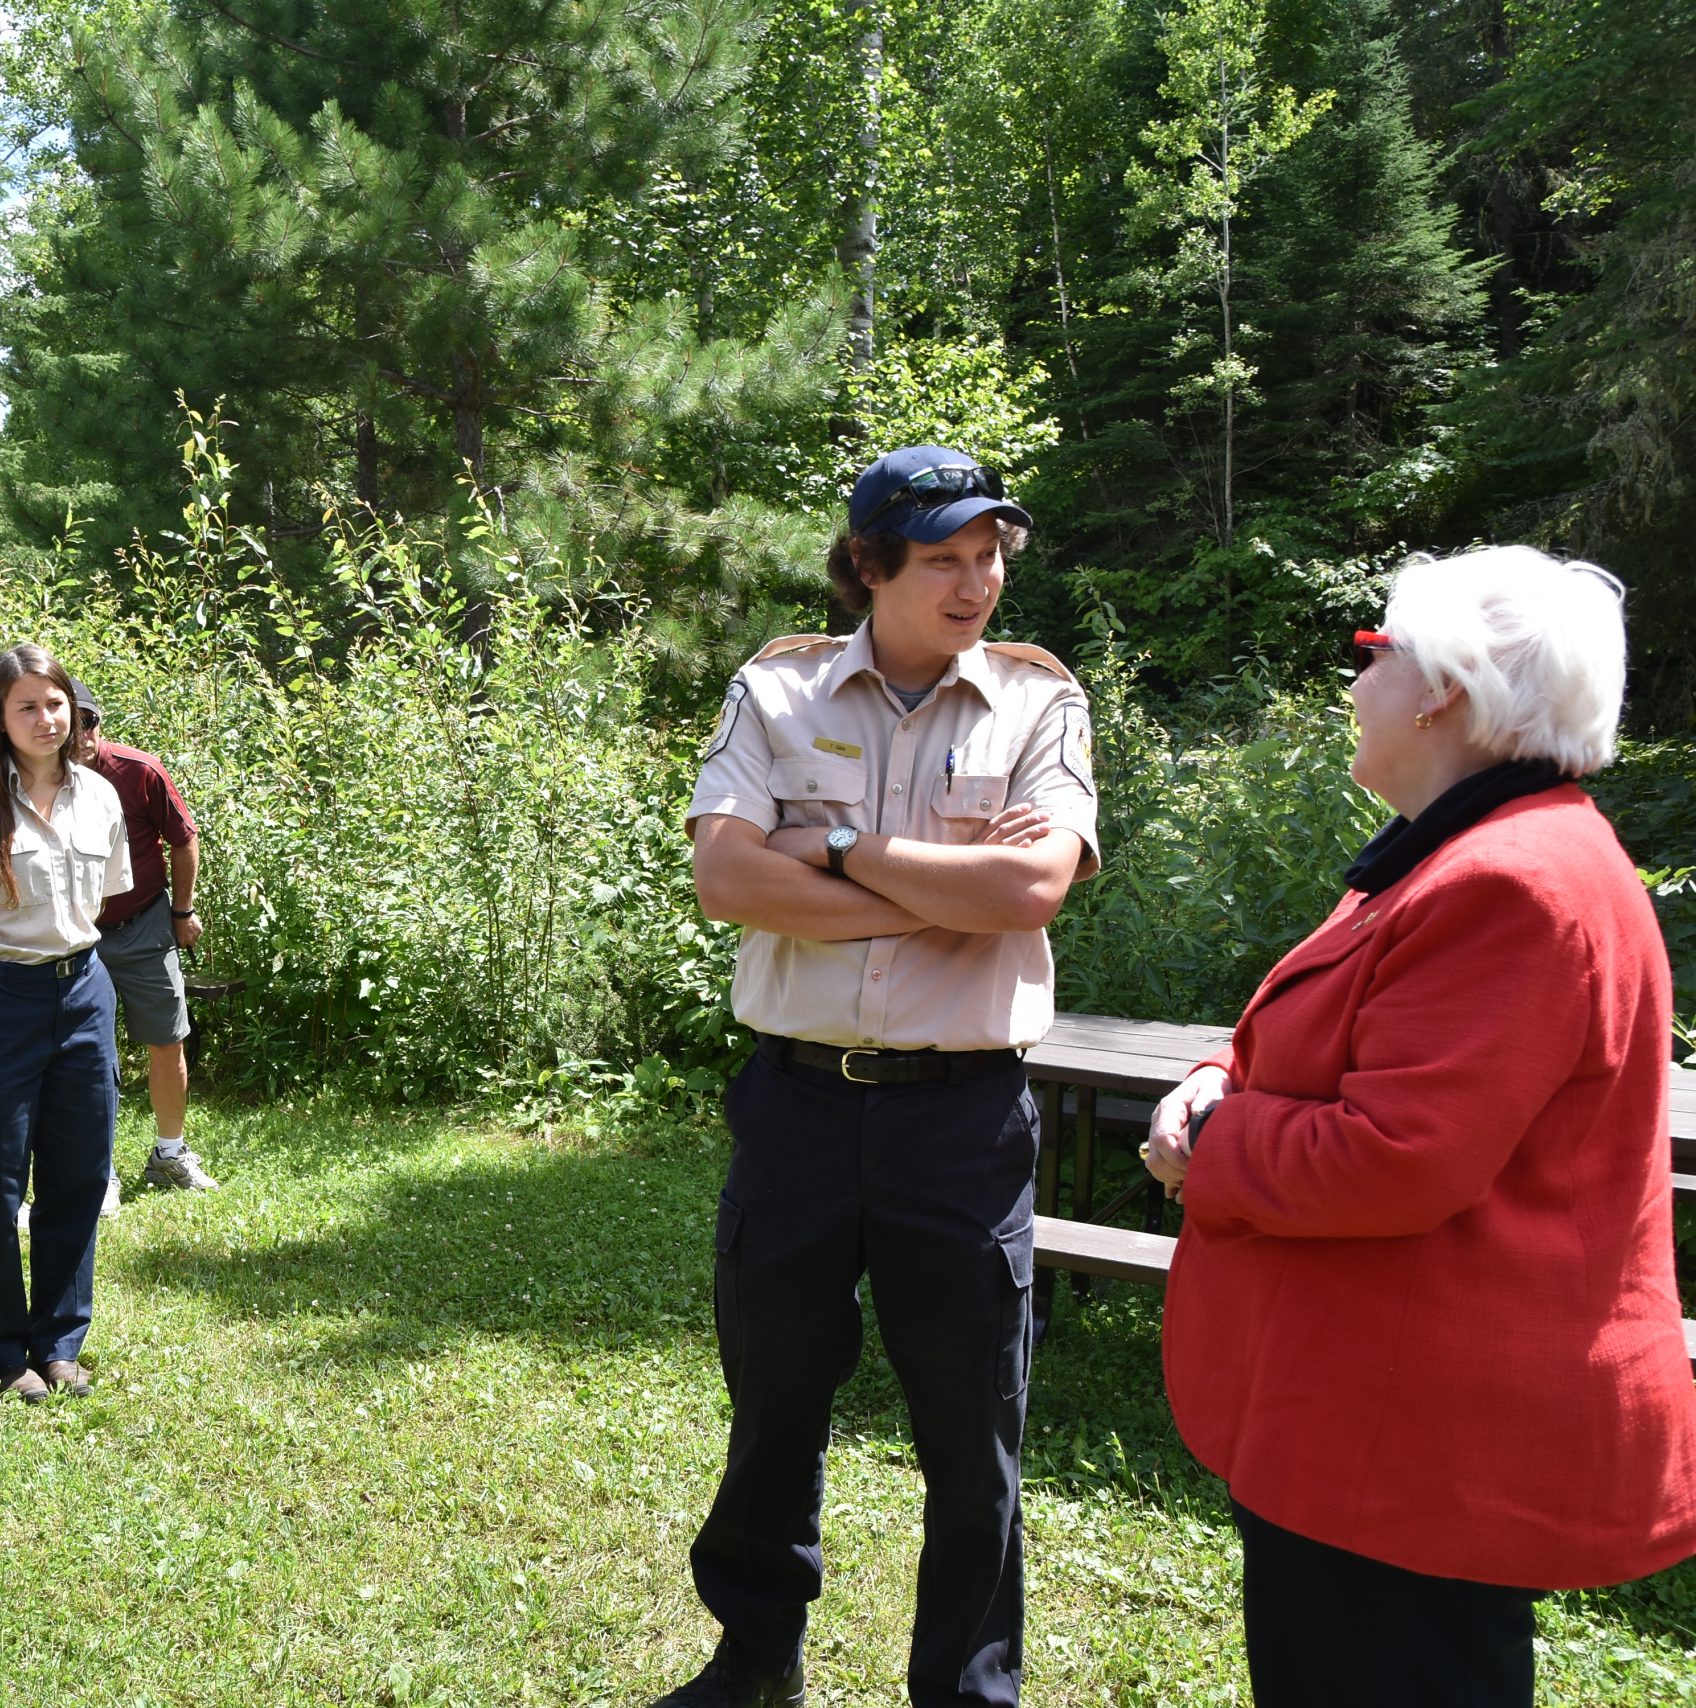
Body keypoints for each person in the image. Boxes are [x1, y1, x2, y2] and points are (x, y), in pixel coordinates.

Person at [1142, 547, 1696, 1708]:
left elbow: (1391, 1157)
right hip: (1377, 1433)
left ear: (1440, 687)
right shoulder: (1459, 849)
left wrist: (1205, 1145)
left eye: (1372, 655)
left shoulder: (1510, 880)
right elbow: (1302, 1038)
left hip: (1407, 1454)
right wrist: (1211, 1078)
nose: (1356, 687)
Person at [659, 446, 1099, 1708]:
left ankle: (965, 1690)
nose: (979, 584)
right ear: (869, 566)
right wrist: (937, 904)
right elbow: (726, 882)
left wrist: (840, 847)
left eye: (991, 556)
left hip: (960, 1119)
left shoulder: (1037, 702)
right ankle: (753, 1658)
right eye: (947, 559)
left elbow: (1030, 890)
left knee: (974, 1431)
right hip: (796, 1103)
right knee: (775, 1401)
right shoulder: (777, 690)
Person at [0, 644, 130, 1405]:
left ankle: (61, 1343)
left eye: (55, 703)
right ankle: (3, 1351)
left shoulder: (100, 797)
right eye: (26, 707)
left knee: (78, 1172)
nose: (45, 719)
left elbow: (102, 900)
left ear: (72, 708)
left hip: (82, 993)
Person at [79, 684, 218, 1198]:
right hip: (74, 936)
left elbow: (183, 838)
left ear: (100, 722)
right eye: (72, 723)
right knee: (91, 1053)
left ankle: (170, 1153)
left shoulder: (139, 771)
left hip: (143, 925)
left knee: (167, 1039)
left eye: (89, 721)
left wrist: (182, 910)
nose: (82, 734)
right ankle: (100, 1173)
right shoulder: (37, 779)